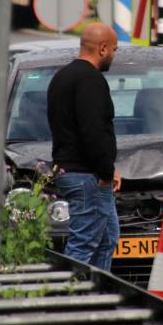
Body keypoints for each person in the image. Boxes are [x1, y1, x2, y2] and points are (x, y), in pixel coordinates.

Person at [47, 23, 122, 270]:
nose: (114, 54)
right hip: (87, 176)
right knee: (84, 244)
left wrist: (108, 169)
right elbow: (93, 132)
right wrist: (105, 172)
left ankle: (99, 293)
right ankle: (69, 300)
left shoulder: (62, 77)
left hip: (74, 170)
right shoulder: (91, 81)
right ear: (102, 48)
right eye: (113, 49)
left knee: (107, 238)